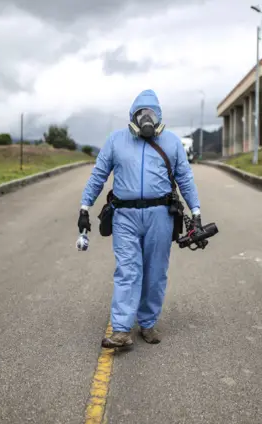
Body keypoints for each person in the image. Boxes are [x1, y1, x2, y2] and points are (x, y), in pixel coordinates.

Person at [78, 89, 203, 348]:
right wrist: (84, 207)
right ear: (132, 116)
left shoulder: (171, 142)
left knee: (155, 272)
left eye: (151, 113)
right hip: (125, 215)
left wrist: (196, 212)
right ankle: (122, 329)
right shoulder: (116, 141)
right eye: (141, 113)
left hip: (161, 215)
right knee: (127, 270)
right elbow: (98, 175)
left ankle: (147, 323)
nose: (146, 118)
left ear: (158, 117)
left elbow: (185, 179)